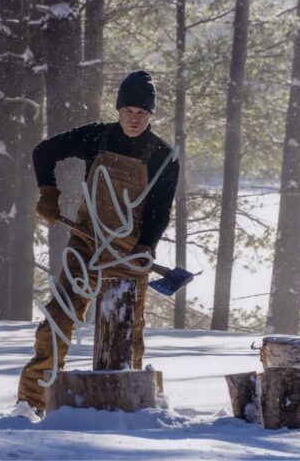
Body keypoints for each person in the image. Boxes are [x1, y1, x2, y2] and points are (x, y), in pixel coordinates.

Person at [17, 70, 179, 414]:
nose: (134, 120)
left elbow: (160, 210)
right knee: (59, 318)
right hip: (86, 244)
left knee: (126, 333)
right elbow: (44, 151)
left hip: (129, 252)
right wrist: (48, 190)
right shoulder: (97, 136)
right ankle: (32, 403)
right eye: (128, 111)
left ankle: (133, 407)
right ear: (118, 109)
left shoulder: (163, 156)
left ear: (151, 115)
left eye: (142, 113)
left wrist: (146, 246)